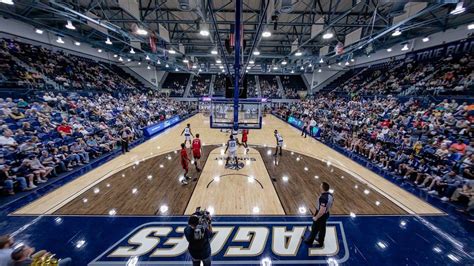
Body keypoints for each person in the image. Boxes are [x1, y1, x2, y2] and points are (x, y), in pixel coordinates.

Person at [303, 182, 334, 248]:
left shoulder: (323, 198)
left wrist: (316, 217)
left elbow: (322, 210)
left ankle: (309, 241)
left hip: (321, 215)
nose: (320, 186)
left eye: (321, 185)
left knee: (314, 228)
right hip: (327, 213)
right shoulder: (330, 195)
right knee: (322, 228)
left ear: (322, 188)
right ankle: (321, 241)